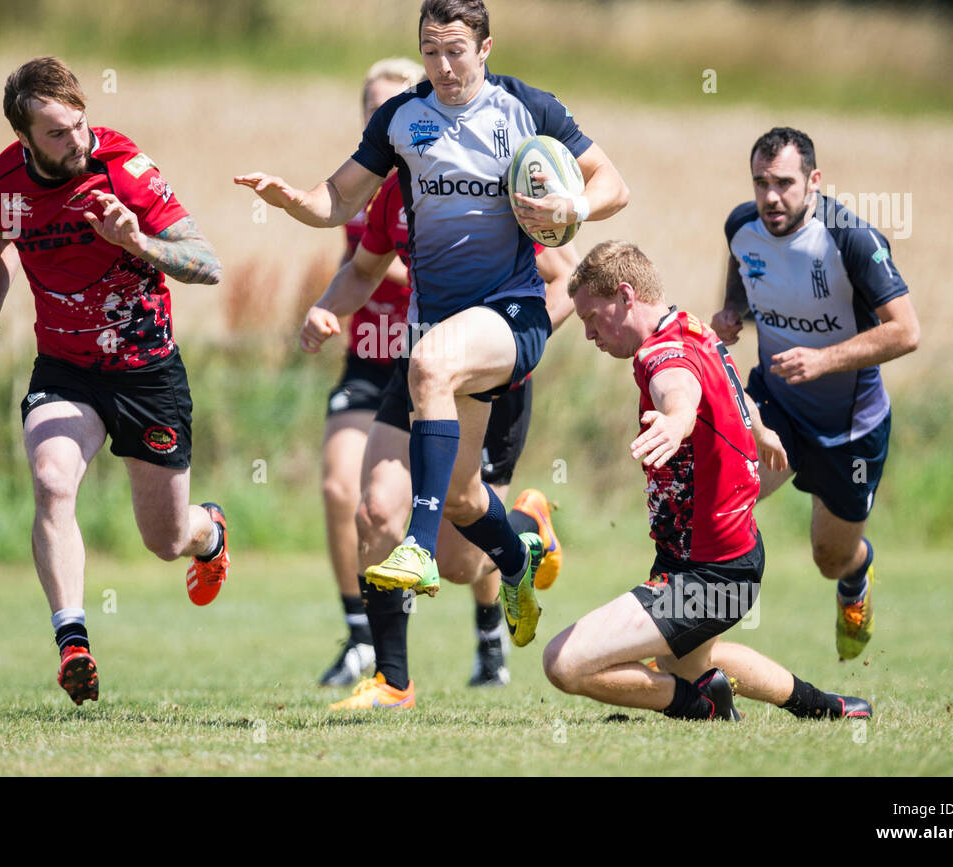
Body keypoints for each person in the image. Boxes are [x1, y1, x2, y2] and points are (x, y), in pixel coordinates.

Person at [237, 0, 628, 652]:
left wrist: (574, 210)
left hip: (511, 316)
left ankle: (410, 555)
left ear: (484, 48)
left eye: (455, 52)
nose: (443, 67)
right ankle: (520, 550)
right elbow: (337, 199)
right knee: (465, 510)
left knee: (428, 363)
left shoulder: (525, 108)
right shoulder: (401, 119)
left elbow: (612, 184)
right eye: (430, 52)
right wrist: (294, 199)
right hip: (441, 330)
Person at [0, 57, 228, 706]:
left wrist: (138, 242)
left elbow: (206, 265)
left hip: (146, 371)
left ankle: (210, 533)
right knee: (52, 481)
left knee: (164, 541)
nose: (77, 140)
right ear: (24, 138)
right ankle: (72, 640)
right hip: (66, 368)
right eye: (57, 133)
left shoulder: (125, 171)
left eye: (80, 125)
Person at [543, 241, 873, 722]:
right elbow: (730, 381)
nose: (589, 333)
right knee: (694, 662)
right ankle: (825, 707)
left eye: (592, 317)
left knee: (564, 663)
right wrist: (760, 429)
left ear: (625, 295)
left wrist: (677, 419)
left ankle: (699, 706)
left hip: (708, 574)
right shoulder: (692, 326)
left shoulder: (659, 354)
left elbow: (679, 386)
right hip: (721, 562)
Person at [300, 170, 576, 705]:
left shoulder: (489, 184)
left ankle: (526, 526)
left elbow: (567, 275)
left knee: (459, 564)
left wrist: (522, 344)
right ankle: (393, 681)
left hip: (491, 379)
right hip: (419, 368)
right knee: (375, 511)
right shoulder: (392, 195)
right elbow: (362, 271)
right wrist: (325, 308)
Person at [711, 127, 919, 660]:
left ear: (814, 181)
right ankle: (682, 633)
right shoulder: (742, 225)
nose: (771, 197)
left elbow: (905, 331)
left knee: (830, 557)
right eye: (761, 183)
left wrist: (824, 359)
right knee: (718, 500)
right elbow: (743, 270)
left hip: (849, 427)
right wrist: (734, 313)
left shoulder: (852, 239)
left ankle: (855, 580)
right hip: (774, 406)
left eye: (783, 182)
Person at [315, 59, 420, 688]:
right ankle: (360, 636)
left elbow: (382, 264)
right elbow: (353, 266)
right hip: (366, 358)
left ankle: (490, 628)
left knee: (458, 527)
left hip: (430, 361)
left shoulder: (443, 182)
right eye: (372, 110)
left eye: (395, 107)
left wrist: (374, 266)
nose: (382, 120)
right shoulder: (355, 187)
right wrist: (326, 308)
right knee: (338, 489)